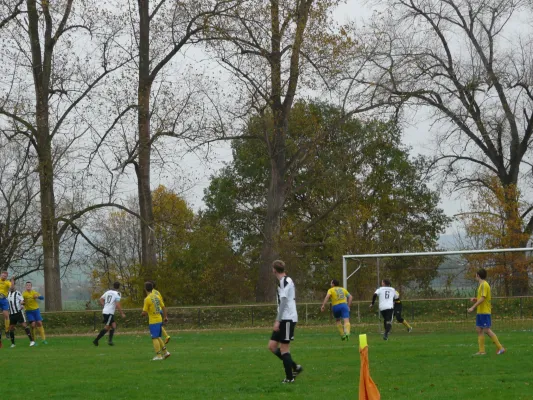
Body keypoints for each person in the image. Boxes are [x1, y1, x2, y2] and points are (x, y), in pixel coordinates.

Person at [267, 260, 303, 383]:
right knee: (272, 346)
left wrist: (278, 320)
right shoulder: (284, 281)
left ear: (274, 270)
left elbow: (283, 302)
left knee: (284, 349)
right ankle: (295, 367)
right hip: (284, 318)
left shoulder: (285, 281)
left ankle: (289, 378)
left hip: (287, 319)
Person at [467, 268, 505, 356]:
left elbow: (483, 298)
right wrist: (475, 299)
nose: (475, 276)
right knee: (479, 329)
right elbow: (482, 298)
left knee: (487, 330)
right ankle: (482, 351)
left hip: (484, 311)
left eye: (476, 275)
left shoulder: (484, 285)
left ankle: (500, 348)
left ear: (478, 275)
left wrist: (473, 307)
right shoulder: (481, 285)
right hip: (480, 312)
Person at [142, 281, 170, 361]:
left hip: (153, 321)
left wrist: (143, 314)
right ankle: (166, 352)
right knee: (158, 336)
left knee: (154, 338)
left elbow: (144, 312)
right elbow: (163, 307)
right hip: (159, 318)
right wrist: (165, 317)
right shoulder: (157, 296)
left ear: (145, 289)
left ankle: (158, 355)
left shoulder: (147, 299)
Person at [93, 282, 126, 346]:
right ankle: (96, 340)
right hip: (109, 313)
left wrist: (105, 305)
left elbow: (101, 299)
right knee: (107, 327)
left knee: (113, 325)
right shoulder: (117, 293)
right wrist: (122, 313)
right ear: (119, 287)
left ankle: (110, 341)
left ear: (113, 286)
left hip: (106, 311)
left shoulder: (108, 292)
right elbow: (117, 304)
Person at [7, 283, 35, 347]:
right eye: (10, 286)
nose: (11, 287)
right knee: (11, 328)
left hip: (18, 313)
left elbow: (22, 300)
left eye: (12, 286)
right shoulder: (7, 294)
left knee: (24, 325)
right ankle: (13, 344)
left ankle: (32, 341)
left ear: (14, 286)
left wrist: (22, 304)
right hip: (11, 313)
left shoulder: (18, 293)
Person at [0, 271, 12, 347]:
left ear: (6, 277)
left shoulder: (7, 282)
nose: (4, 277)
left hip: (4, 299)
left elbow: (11, 287)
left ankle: (7, 331)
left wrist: (12, 283)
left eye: (5, 276)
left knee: (6, 315)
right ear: (0, 275)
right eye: (3, 275)